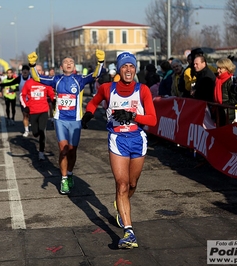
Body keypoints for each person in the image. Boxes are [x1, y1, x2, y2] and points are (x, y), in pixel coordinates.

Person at [81, 51, 157, 249]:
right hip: (117, 139)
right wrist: (88, 114)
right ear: (119, 69)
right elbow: (94, 101)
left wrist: (133, 116)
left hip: (137, 139)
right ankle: (128, 232)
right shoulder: (108, 88)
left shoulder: (143, 90)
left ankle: (120, 204)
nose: (128, 69)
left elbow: (152, 119)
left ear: (135, 69)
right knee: (121, 185)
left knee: (132, 185)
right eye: (125, 66)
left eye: (131, 66)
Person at [27, 49, 105, 194]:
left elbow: (97, 74)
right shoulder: (56, 80)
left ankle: (69, 173)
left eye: (71, 62)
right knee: (63, 150)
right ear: (61, 67)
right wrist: (32, 65)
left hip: (75, 121)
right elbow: (37, 78)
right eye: (66, 62)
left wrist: (100, 62)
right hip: (60, 120)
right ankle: (63, 180)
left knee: (72, 151)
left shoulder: (80, 79)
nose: (68, 63)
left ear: (74, 67)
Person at [21, 64, 55, 160]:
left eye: (40, 70)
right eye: (36, 70)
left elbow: (51, 93)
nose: (38, 72)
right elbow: (22, 95)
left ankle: (41, 152)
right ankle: (36, 133)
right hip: (33, 111)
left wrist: (54, 99)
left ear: (42, 72)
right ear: (32, 72)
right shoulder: (28, 83)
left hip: (44, 110)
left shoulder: (45, 82)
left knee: (42, 131)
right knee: (35, 133)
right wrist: (26, 106)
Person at [0, 65, 31, 136]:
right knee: (10, 108)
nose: (9, 74)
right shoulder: (14, 79)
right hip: (11, 97)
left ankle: (14, 118)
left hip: (19, 97)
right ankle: (9, 119)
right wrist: (0, 91)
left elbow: (17, 87)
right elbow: (4, 85)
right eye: (8, 73)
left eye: (11, 73)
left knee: (15, 109)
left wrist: (14, 89)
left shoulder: (27, 78)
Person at [213, 58, 237, 126]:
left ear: (227, 69)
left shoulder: (230, 81)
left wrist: (223, 104)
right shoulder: (217, 80)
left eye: (220, 68)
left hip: (227, 114)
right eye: (218, 68)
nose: (218, 70)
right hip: (219, 112)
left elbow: (235, 99)